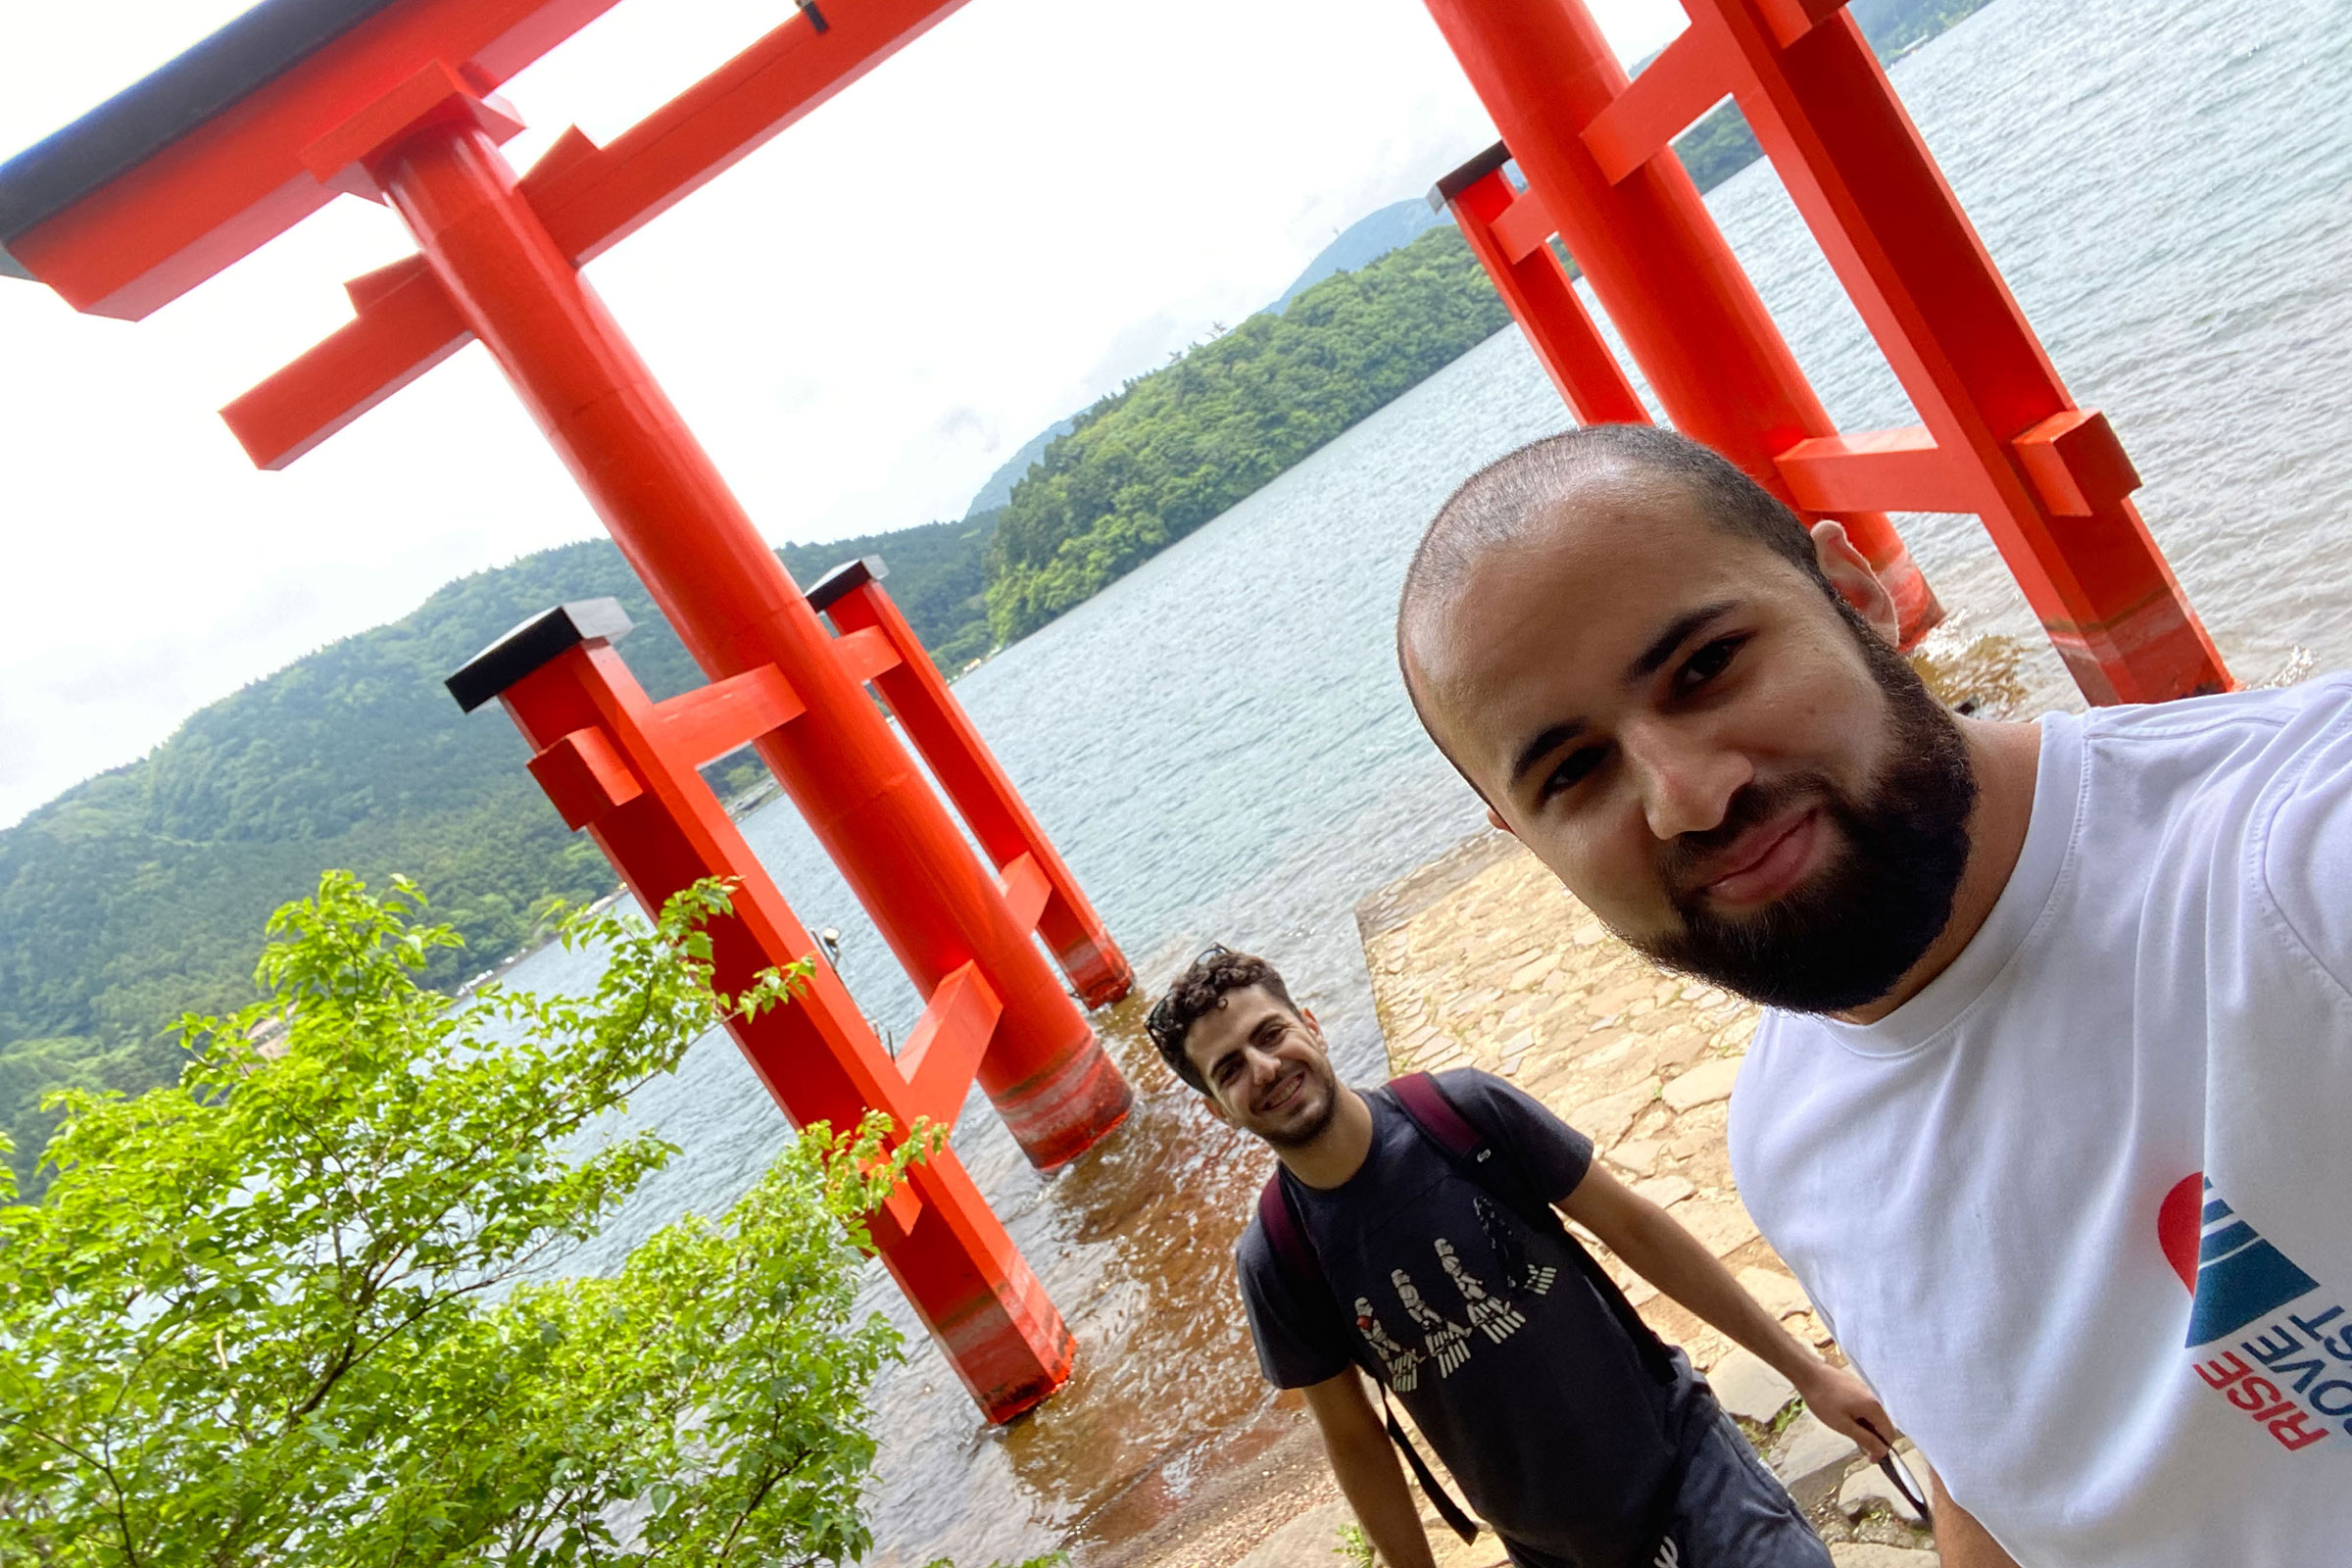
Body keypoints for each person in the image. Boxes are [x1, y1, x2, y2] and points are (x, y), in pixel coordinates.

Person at [1393, 421, 2352, 1567]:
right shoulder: (1786, 1137)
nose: (1688, 796)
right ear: (1526, 841)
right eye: (1572, 771)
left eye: (1706, 666)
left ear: (1855, 595)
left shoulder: (2286, 868)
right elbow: (1996, 1474)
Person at [1149, 946, 1888, 1568]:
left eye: (1270, 1034)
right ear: (1218, 1108)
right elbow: (1355, 1440)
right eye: (1230, 1069)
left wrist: (1808, 1373)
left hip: (1686, 1464)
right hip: (1555, 1549)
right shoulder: (1279, 1257)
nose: (1265, 1068)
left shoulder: (1462, 1114)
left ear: (1311, 1025)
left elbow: (1635, 1227)